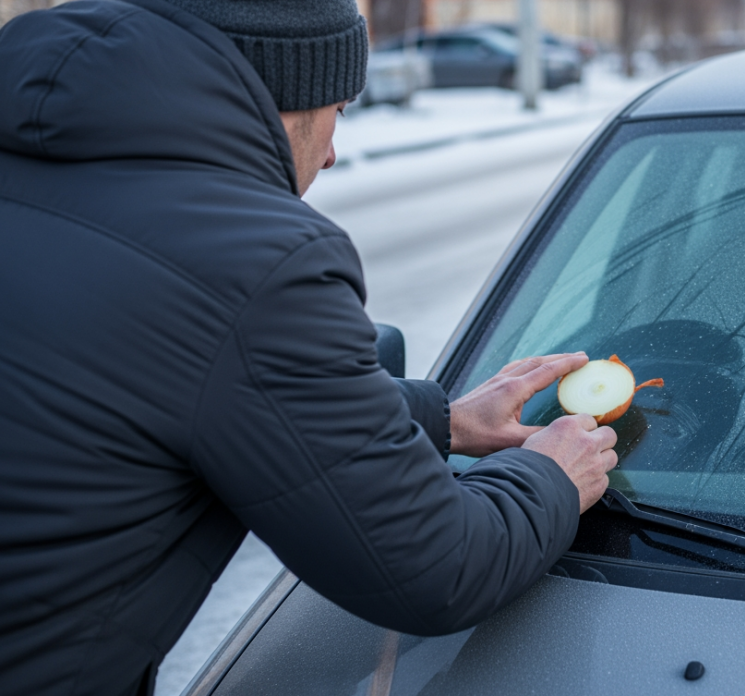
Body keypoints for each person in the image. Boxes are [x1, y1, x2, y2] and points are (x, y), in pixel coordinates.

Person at [0, 0, 617, 693]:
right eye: (337, 112)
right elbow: (434, 568)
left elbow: (140, 375)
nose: (330, 152)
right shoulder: (254, 259)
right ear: (282, 99)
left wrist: (438, 419)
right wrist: (552, 477)